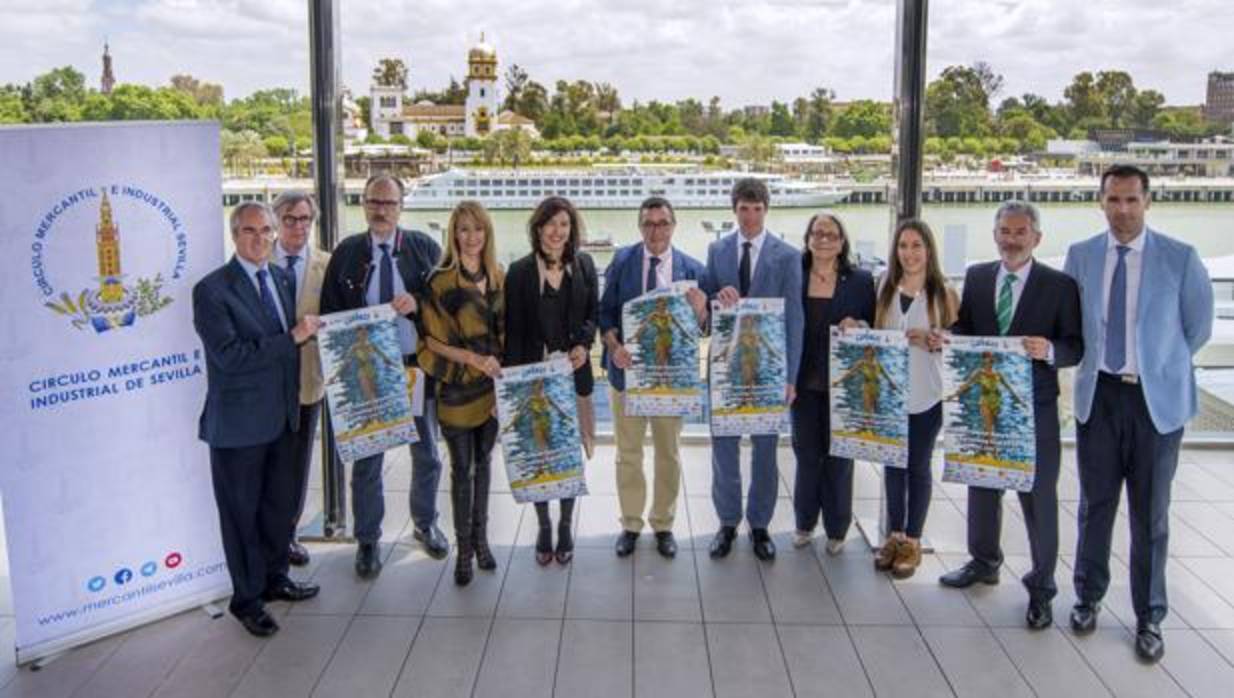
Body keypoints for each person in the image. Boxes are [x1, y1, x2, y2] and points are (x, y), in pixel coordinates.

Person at [1064, 165, 1213, 662]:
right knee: (1095, 505)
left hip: (1154, 403)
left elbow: (1197, 329)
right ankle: (1087, 595)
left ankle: (1149, 615)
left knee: (1151, 515)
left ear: (1147, 202)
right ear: (1100, 202)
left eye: (1131, 200)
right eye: (1113, 200)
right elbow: (1071, 322)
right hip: (1099, 397)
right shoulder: (1081, 256)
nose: (1122, 210)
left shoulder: (1180, 258)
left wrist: (1153, 366)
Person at [938, 201, 1083, 632]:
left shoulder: (1059, 286)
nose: (1011, 239)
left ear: (1036, 238)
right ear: (995, 233)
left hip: (1032, 410)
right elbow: (967, 328)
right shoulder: (980, 277)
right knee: (982, 487)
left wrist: (1051, 351)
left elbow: (1075, 344)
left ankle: (1042, 589)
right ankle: (984, 561)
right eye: (1004, 231)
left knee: (1038, 500)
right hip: (985, 405)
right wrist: (950, 338)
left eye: (1020, 232)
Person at [193, 202, 321, 637]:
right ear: (234, 234)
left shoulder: (282, 278)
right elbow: (230, 358)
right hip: (239, 429)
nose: (261, 238)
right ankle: (247, 600)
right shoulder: (212, 290)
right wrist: (293, 337)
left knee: (277, 509)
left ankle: (275, 578)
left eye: (267, 231)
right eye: (251, 231)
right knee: (241, 517)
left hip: (283, 420)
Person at [319, 174, 447, 579]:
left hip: (414, 366)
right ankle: (368, 539)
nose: (381, 210)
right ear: (364, 204)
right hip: (366, 371)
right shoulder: (347, 252)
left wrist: (419, 304)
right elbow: (329, 313)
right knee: (368, 459)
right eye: (374, 202)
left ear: (401, 207)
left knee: (426, 452)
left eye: (389, 203)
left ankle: (425, 523)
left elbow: (446, 305)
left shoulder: (424, 248)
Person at [700, 177, 804, 562]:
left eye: (757, 209)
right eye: (744, 209)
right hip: (726, 367)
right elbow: (708, 309)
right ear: (734, 210)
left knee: (764, 450)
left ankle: (760, 525)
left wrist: (791, 376)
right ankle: (727, 522)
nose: (750, 216)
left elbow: (796, 318)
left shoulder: (788, 256)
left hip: (770, 371)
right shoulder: (717, 251)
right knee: (723, 448)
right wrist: (715, 298)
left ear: (766, 210)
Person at [599, 196, 707, 559]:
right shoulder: (621, 261)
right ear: (639, 226)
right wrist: (614, 346)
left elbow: (704, 328)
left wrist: (701, 310)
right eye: (648, 223)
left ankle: (663, 524)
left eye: (662, 223)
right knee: (627, 454)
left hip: (669, 380)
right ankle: (630, 523)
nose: (655, 230)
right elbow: (605, 314)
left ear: (674, 226)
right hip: (626, 375)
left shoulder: (693, 268)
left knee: (668, 453)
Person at [504, 196, 599, 566]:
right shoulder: (519, 272)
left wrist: (582, 345)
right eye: (550, 224)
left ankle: (564, 526)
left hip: (574, 376)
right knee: (540, 453)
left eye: (564, 224)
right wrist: (513, 388)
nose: (557, 231)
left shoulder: (586, 265)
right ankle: (543, 525)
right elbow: (513, 333)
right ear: (538, 228)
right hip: (533, 378)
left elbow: (593, 313)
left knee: (569, 454)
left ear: (571, 229)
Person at [417, 201, 505, 586]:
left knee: (484, 466)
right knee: (461, 469)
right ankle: (464, 551)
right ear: (454, 234)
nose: (472, 237)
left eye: (478, 229)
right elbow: (432, 342)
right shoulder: (439, 281)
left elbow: (508, 332)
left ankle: (483, 541)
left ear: (487, 234)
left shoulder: (499, 276)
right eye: (464, 229)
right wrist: (473, 358)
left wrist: (499, 368)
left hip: (493, 388)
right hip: (456, 387)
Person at [872, 218, 958, 580]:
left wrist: (939, 339)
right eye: (903, 246)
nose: (909, 253)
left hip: (927, 394)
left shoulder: (944, 292)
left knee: (917, 467)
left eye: (916, 246)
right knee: (893, 465)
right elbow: (876, 334)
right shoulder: (884, 287)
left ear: (929, 250)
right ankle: (893, 535)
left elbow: (958, 344)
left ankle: (913, 540)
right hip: (891, 392)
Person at [791, 212, 875, 554]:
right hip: (803, 383)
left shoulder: (860, 280)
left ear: (842, 242)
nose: (823, 239)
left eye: (831, 234)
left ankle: (837, 528)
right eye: (817, 233)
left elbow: (873, 324)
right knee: (807, 455)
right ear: (808, 238)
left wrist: (860, 324)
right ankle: (804, 523)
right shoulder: (793, 275)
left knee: (840, 458)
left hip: (844, 384)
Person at [271, 191, 331, 567]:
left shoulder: (328, 265)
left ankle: (288, 535)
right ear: (277, 221)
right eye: (290, 219)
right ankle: (266, 535)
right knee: (265, 464)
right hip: (265, 385)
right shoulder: (257, 262)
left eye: (305, 219)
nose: (298, 226)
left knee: (297, 466)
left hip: (308, 383)